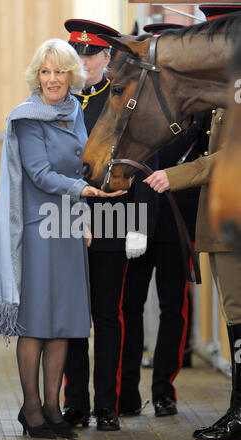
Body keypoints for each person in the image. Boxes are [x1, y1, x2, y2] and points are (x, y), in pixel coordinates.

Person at [0, 38, 124, 440]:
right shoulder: (27, 117)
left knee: (63, 323)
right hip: (38, 229)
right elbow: (39, 174)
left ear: (71, 75)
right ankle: (32, 410)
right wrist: (87, 192)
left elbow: (82, 165)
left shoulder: (75, 111)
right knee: (35, 324)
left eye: (58, 71)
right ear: (36, 75)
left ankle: (54, 409)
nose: (52, 79)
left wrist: (85, 219)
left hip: (69, 227)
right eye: (44, 71)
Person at [143, 3, 241, 440]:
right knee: (234, 318)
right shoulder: (226, 86)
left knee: (238, 318)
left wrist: (175, 175)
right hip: (223, 224)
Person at [116, 22, 213, 419]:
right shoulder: (139, 96)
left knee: (174, 307)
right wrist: (136, 221)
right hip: (137, 219)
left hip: (177, 216)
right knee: (129, 305)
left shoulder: (201, 97)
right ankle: (125, 392)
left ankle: (164, 391)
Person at [63, 19, 140, 431]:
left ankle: (106, 404)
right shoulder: (59, 99)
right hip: (67, 218)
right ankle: (75, 402)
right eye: (77, 52)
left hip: (112, 216)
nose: (82, 60)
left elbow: (145, 162)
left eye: (90, 53)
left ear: (107, 58)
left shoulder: (120, 98)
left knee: (107, 316)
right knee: (73, 317)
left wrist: (138, 224)